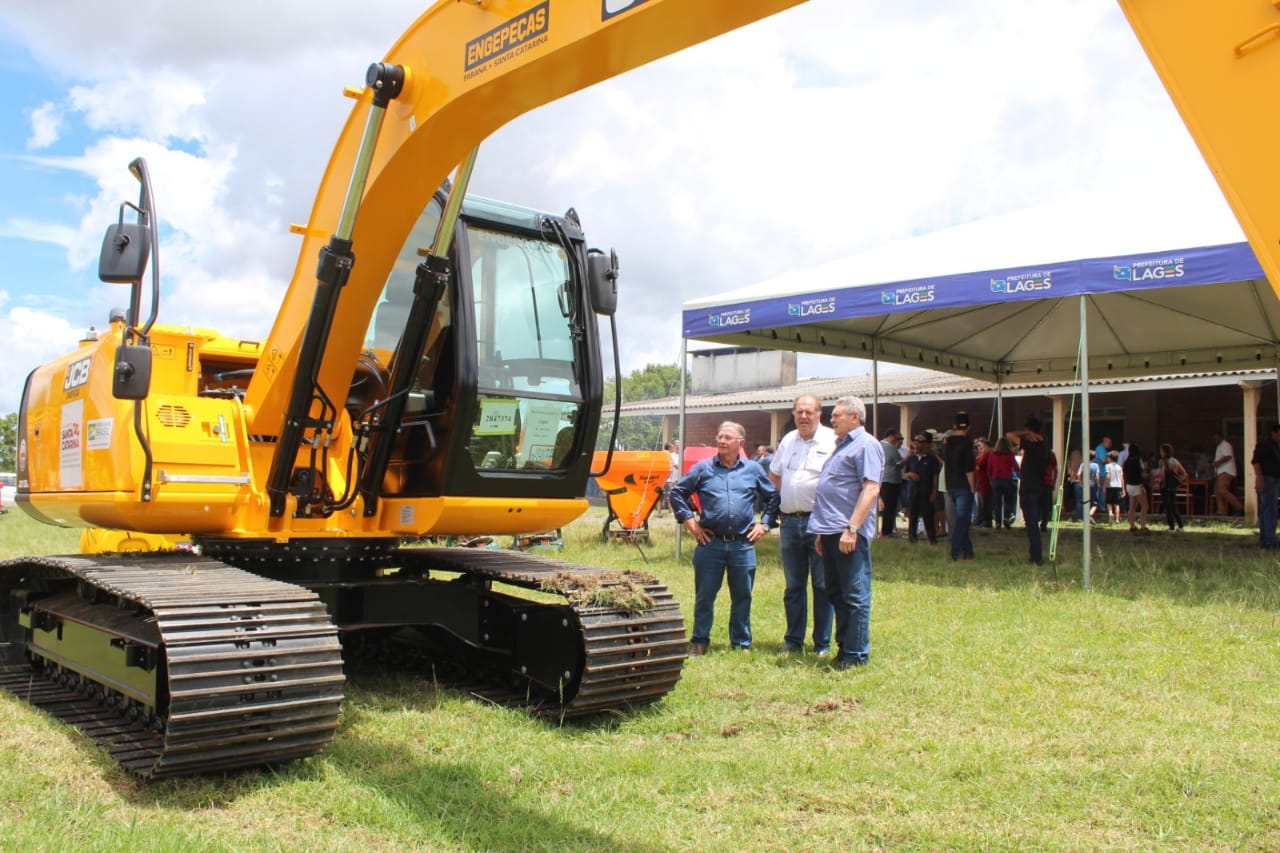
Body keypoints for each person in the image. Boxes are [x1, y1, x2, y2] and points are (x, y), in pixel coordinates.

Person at [668, 422, 779, 654]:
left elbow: (773, 497)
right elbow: (677, 493)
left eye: (728, 437)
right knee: (705, 595)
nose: (721, 441)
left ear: (741, 442)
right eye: (720, 436)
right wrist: (691, 524)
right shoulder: (703, 468)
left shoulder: (753, 469)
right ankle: (700, 641)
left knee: (743, 595)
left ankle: (741, 642)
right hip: (710, 544)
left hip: (743, 544)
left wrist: (765, 525)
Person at [807, 396, 883, 670]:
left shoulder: (866, 445)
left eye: (837, 415)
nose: (832, 419)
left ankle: (856, 654)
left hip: (848, 533)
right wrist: (821, 531)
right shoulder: (841, 446)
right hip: (830, 532)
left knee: (854, 594)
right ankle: (844, 648)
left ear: (855, 417)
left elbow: (871, 489)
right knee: (836, 592)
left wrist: (852, 528)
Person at [769, 394, 836, 656]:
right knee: (794, 586)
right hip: (789, 522)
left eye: (809, 412)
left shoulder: (832, 440)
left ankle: (822, 644)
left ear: (819, 414)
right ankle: (793, 640)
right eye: (799, 412)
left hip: (819, 523)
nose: (803, 416)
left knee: (822, 585)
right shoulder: (788, 440)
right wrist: (791, 494)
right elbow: (775, 474)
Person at [1007, 417, 1048, 565]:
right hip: (1038, 487)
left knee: (1031, 524)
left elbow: (1009, 435)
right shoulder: (1044, 446)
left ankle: (1035, 557)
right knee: (1032, 523)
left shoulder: (1032, 446)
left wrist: (1025, 433)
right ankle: (1035, 554)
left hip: (1029, 488)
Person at [942, 412, 976, 560]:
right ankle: (956, 551)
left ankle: (968, 551)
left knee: (961, 519)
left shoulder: (947, 443)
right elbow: (969, 468)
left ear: (954, 426)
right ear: (969, 427)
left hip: (951, 484)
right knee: (962, 520)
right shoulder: (967, 444)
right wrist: (972, 487)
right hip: (963, 485)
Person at [903, 433, 940, 544]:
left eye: (921, 443)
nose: (918, 445)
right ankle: (912, 537)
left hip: (926, 491)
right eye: (916, 442)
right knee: (912, 515)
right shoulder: (912, 459)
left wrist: (934, 492)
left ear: (926, 444)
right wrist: (910, 474)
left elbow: (935, 476)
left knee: (928, 515)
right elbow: (905, 474)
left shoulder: (932, 459)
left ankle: (932, 538)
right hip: (913, 491)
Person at [1250, 424, 1280, 549]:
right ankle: (1269, 539)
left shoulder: (1276, 447)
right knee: (1269, 509)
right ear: (1274, 433)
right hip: (1267, 479)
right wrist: (1259, 478)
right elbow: (1256, 462)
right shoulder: (1264, 445)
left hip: (1275, 479)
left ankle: (1266, 538)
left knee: (1269, 509)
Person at [987, 437, 1019, 529]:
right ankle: (1006, 518)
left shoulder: (992, 455)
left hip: (996, 480)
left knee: (997, 502)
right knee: (1008, 501)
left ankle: (998, 522)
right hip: (1007, 480)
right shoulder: (1010, 455)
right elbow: (1016, 467)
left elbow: (989, 470)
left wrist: (990, 480)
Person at [878, 429, 904, 538]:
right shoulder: (890, 447)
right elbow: (900, 463)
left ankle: (887, 530)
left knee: (887, 507)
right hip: (891, 481)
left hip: (882, 479)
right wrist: (909, 456)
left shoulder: (879, 445)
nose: (899, 441)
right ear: (891, 436)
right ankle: (886, 531)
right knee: (890, 507)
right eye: (898, 438)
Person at [1211, 431, 1244, 516]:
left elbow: (1228, 456)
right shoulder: (1219, 446)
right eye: (1214, 439)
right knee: (1217, 491)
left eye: (1216, 438)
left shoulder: (1225, 444)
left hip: (1226, 471)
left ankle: (1239, 507)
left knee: (1222, 490)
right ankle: (1221, 511)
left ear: (1221, 437)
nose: (1215, 440)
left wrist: (1216, 464)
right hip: (1220, 472)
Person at [1158, 442, 1188, 532]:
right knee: (1174, 506)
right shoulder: (1175, 461)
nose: (1160, 452)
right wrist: (1177, 481)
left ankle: (1171, 527)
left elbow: (1162, 474)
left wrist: (1162, 483)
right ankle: (1181, 526)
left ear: (1164, 452)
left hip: (1165, 486)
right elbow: (1184, 473)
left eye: (1161, 451)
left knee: (1168, 507)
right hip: (1173, 487)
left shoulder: (1162, 461)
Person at [1123, 442, 1150, 533]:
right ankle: (1143, 526)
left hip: (1129, 485)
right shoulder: (1136, 461)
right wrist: (1142, 486)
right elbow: (1138, 476)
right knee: (1145, 506)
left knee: (1132, 507)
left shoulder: (1127, 461)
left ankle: (1132, 526)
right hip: (1137, 485)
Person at [973, 438, 994, 528]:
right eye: (978, 446)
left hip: (985, 481)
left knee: (985, 502)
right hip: (979, 481)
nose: (980, 448)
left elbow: (979, 466)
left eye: (982, 446)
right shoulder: (981, 456)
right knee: (980, 502)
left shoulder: (988, 456)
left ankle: (987, 520)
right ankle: (980, 519)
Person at [1105, 451, 1124, 523]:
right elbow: (1122, 478)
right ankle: (1117, 519)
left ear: (1110, 458)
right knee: (1117, 504)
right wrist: (1123, 489)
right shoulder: (1119, 467)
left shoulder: (1107, 466)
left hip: (1110, 486)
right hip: (1118, 486)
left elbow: (1108, 476)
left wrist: (1105, 485)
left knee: (1109, 502)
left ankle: (1110, 513)